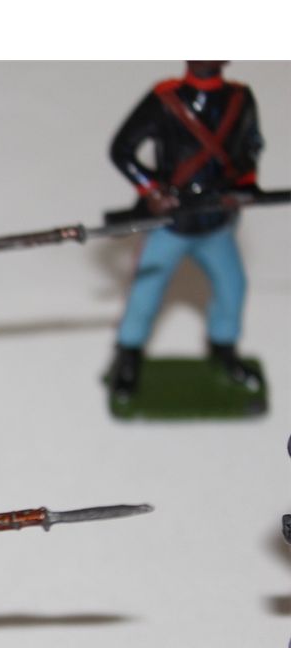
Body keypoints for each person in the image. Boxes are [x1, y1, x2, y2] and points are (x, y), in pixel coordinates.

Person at [106, 61, 265, 397]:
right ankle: (128, 354)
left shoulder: (240, 98)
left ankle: (224, 349)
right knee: (145, 294)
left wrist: (244, 186)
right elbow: (122, 149)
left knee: (232, 288)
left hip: (216, 224)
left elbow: (251, 145)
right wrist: (152, 191)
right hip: (171, 226)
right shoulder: (165, 99)